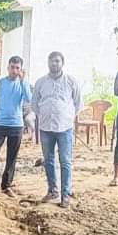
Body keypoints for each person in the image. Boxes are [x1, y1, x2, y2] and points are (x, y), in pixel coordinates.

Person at [32, 51, 82, 207]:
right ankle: (53, 190)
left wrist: (67, 117)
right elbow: (34, 103)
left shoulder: (71, 81)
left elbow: (78, 103)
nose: (54, 63)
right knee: (49, 160)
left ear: (62, 63)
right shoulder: (41, 82)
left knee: (65, 161)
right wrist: (44, 115)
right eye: (52, 61)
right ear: (48, 62)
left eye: (57, 61)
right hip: (46, 127)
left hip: (64, 127)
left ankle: (65, 194)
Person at [0, 55, 32, 196]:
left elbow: (29, 99)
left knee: (12, 157)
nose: (14, 70)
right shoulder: (0, 83)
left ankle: (6, 185)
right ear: (8, 68)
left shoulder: (23, 84)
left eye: (17, 68)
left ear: (21, 69)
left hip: (16, 124)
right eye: (12, 67)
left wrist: (23, 80)